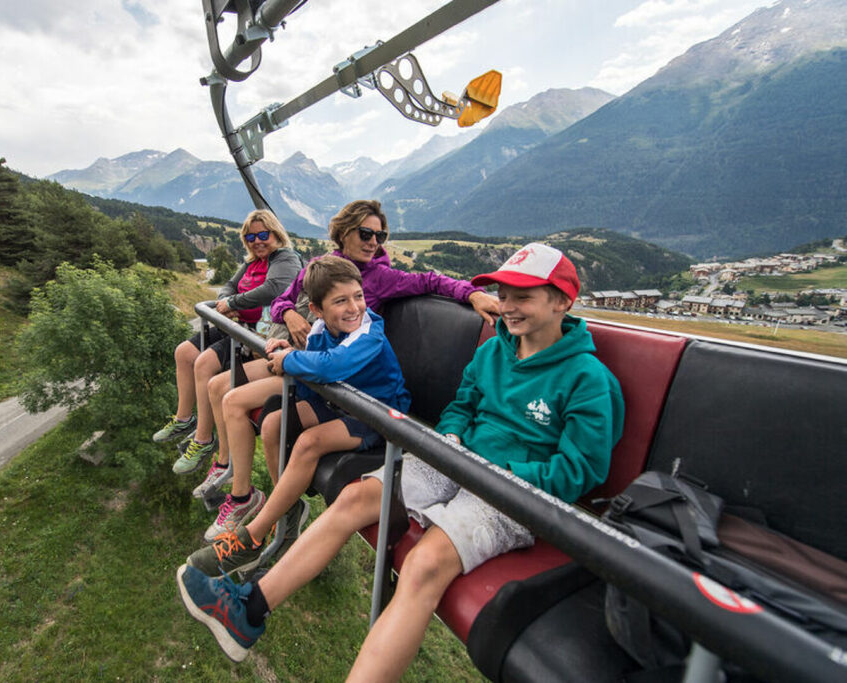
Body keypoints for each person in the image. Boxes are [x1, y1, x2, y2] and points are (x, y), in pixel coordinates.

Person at [176, 242, 625, 678]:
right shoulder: (493, 351)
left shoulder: (587, 379)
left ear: (562, 301)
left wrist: (502, 473)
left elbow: (580, 470)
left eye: (522, 297)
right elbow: (462, 405)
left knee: (424, 564)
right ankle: (249, 609)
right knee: (354, 499)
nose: (507, 307)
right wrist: (450, 437)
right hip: (456, 460)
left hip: (512, 491)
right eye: (503, 295)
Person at [191, 199, 499, 531]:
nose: (373, 242)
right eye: (366, 233)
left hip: (332, 371)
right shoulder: (320, 268)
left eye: (380, 236)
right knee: (230, 393)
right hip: (311, 356)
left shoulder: (379, 281)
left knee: (238, 399)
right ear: (344, 233)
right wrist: (291, 314)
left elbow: (429, 282)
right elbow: (282, 301)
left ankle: (253, 501)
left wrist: (471, 294)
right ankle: (262, 493)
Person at [186, 255, 411, 567]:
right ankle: (286, 510)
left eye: (358, 296)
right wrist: (292, 356)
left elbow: (332, 366)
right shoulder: (319, 330)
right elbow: (312, 384)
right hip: (339, 402)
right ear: (317, 310)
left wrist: (291, 361)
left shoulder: (369, 332)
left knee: (308, 443)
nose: (354, 308)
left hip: (375, 414)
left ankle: (251, 538)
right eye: (341, 301)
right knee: (275, 424)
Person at [153, 210, 302, 476]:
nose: (257, 242)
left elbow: (274, 288)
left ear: (276, 234)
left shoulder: (285, 258)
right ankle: (184, 418)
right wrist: (227, 302)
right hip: (237, 323)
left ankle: (203, 439)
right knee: (184, 352)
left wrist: (234, 303)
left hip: (255, 332)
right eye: (250, 237)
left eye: (263, 235)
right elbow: (228, 286)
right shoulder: (252, 263)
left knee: (204, 363)